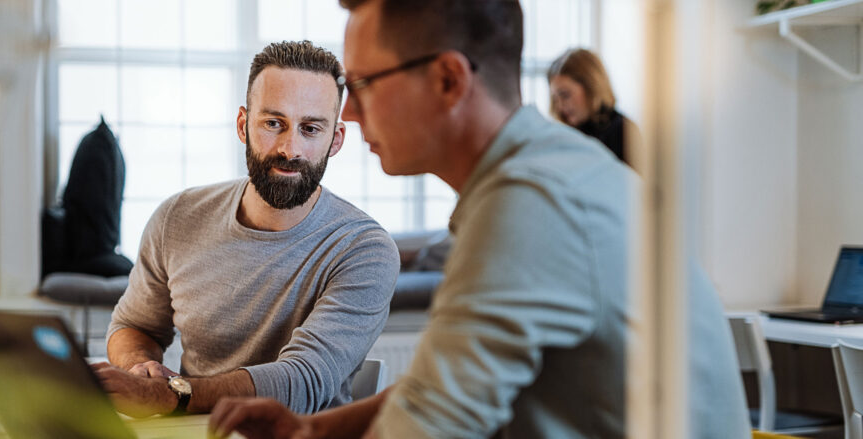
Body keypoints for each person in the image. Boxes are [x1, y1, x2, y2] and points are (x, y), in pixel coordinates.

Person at [208, 1, 750, 438]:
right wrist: (313, 429)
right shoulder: (540, 169)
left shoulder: (532, 205)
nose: (348, 113)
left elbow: (427, 427)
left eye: (365, 83)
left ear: (448, 80)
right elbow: (437, 387)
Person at [91, 40, 400, 418]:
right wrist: (140, 367)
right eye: (273, 123)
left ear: (335, 140)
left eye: (310, 129)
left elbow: (301, 382)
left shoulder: (364, 250)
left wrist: (167, 395)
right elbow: (135, 326)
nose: (290, 148)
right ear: (243, 125)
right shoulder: (177, 217)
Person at [547, 48, 647, 176]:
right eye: (555, 99)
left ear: (591, 87)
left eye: (565, 95)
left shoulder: (623, 130)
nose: (560, 106)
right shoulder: (563, 135)